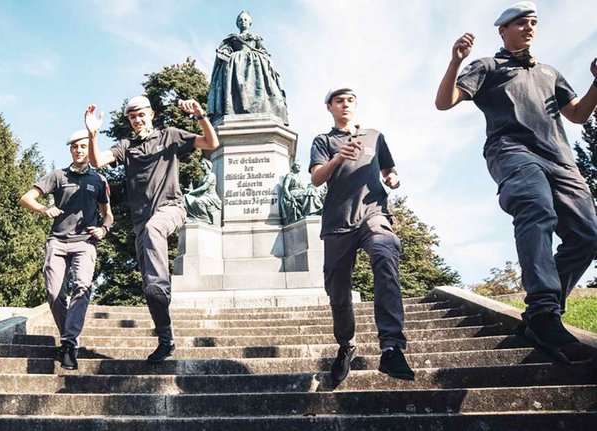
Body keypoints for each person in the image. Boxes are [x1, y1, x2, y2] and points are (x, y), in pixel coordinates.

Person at [435, 2, 597, 361]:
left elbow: (578, 114)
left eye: (533, 22)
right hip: (512, 151)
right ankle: (542, 310)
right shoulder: (488, 66)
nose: (528, 27)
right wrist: (455, 61)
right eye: (521, 22)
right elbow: (444, 103)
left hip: (560, 158)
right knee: (536, 209)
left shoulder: (549, 71)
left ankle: (543, 313)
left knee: (588, 235)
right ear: (503, 30)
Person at [84, 96, 219, 363]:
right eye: (133, 117)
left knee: (155, 233)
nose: (138, 120)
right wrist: (92, 135)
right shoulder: (127, 146)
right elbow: (97, 161)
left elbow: (212, 143)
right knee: (149, 288)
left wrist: (201, 115)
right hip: (142, 225)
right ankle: (166, 339)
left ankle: (161, 284)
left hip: (171, 209)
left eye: (142, 115)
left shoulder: (169, 136)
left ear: (151, 114)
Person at [309, 86, 414, 383]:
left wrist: (392, 178)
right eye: (339, 101)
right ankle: (347, 345)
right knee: (338, 294)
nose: (345, 105)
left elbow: (389, 169)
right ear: (329, 107)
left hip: (373, 213)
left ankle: (392, 347)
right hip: (337, 223)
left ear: (356, 105)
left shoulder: (374, 136)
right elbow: (317, 178)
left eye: (350, 100)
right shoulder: (323, 140)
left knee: (384, 251)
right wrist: (338, 157)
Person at [19, 130, 112, 370]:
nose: (79, 150)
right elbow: (26, 198)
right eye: (75, 147)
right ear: (70, 150)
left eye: (83, 146)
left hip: (84, 242)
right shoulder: (58, 176)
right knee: (54, 293)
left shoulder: (99, 180)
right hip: (58, 242)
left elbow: (108, 215)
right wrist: (43, 209)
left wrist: (104, 229)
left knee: (82, 285)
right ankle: (67, 336)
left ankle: (69, 344)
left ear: (88, 149)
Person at [207, 10, 288, 124]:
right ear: (237, 23)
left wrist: (260, 56)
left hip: (254, 64)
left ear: (250, 22)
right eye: (240, 20)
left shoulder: (256, 37)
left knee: (260, 78)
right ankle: (234, 106)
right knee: (231, 73)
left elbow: (264, 51)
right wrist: (224, 53)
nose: (243, 22)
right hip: (235, 64)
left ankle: (260, 105)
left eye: (245, 19)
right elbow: (225, 50)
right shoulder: (232, 38)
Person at [183, 158, 221, 224]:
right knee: (186, 197)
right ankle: (194, 216)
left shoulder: (211, 175)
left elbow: (204, 187)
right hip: (203, 196)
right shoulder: (203, 177)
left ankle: (204, 218)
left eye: (203, 164)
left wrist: (192, 192)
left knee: (199, 201)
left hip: (211, 197)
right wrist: (191, 190)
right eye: (201, 164)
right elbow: (199, 190)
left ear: (208, 165)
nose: (201, 165)